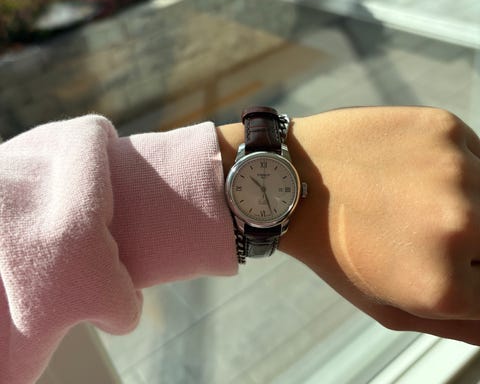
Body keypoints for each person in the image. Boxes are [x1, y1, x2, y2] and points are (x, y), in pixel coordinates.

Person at [1, 105, 479, 384]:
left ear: (297, 191)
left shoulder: (273, 189)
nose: (270, 196)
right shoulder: (280, 197)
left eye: (281, 189)